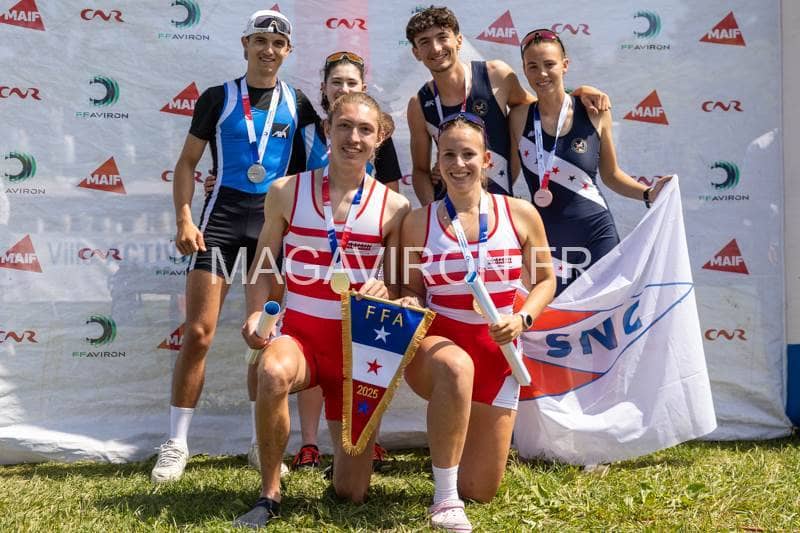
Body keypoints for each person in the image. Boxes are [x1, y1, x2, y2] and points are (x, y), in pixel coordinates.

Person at [151, 9, 321, 484]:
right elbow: (187, 163)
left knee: (262, 337)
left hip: (271, 224)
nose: (269, 49)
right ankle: (176, 442)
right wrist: (184, 217)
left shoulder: (299, 102)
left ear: (288, 51)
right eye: (260, 40)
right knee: (198, 333)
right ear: (245, 44)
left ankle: (259, 443)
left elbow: (313, 169)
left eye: (278, 43)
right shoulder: (218, 97)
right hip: (221, 220)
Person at [234, 92, 410, 528]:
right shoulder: (285, 191)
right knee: (271, 371)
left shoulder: (395, 207)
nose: (354, 137)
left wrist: (387, 288)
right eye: (344, 126)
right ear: (328, 130)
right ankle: (269, 493)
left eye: (365, 130)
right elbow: (263, 266)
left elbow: (401, 284)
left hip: (359, 353)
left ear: (380, 139)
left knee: (352, 494)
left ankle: (343, 468)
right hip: (303, 340)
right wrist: (255, 313)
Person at [399, 113, 555, 531]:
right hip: (438, 350)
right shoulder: (417, 222)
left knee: (481, 489)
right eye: (448, 155)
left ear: (487, 160)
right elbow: (409, 288)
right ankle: (444, 500)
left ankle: (455, 462)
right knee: (456, 367)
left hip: (498, 355)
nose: (458, 163)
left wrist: (522, 318)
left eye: (468, 154)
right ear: (437, 163)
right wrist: (409, 300)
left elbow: (546, 280)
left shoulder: (520, 213)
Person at [508, 28, 672, 295]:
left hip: (596, 233)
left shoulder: (594, 112)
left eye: (550, 64)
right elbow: (507, 179)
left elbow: (611, 175)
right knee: (551, 317)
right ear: (524, 70)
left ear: (565, 65)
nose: (542, 73)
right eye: (533, 66)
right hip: (544, 238)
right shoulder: (517, 117)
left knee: (606, 315)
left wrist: (648, 194)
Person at [405, 6, 609, 206]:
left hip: (499, 204)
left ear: (459, 41)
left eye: (442, 37)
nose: (436, 48)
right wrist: (432, 211)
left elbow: (542, 110)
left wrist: (579, 94)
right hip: (449, 208)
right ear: (416, 53)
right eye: (424, 42)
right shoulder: (419, 104)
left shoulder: (496, 75)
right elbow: (420, 171)